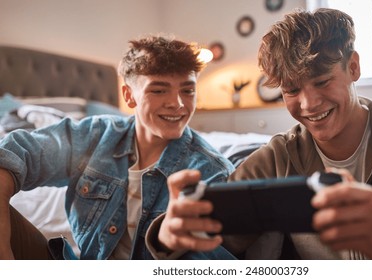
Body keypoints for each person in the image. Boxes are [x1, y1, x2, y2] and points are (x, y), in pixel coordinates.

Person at [153, 8, 372, 260]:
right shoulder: (275, 158)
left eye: (323, 81)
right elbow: (215, 235)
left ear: (353, 67)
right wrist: (168, 235)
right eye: (291, 89)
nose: (309, 104)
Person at [0, 35, 236, 260]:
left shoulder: (212, 172)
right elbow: (17, 151)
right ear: (129, 95)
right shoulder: (95, 136)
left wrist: (167, 248)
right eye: (159, 90)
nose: (178, 104)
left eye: (188, 90)